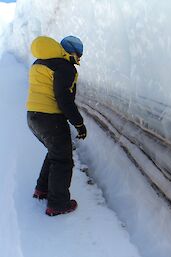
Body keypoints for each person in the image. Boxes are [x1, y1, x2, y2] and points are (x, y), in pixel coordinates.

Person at [26, 35, 87, 216]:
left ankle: (42, 190)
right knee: (63, 160)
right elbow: (64, 99)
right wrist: (79, 123)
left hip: (32, 116)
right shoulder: (65, 67)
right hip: (50, 118)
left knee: (55, 153)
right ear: (73, 52)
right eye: (79, 55)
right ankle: (58, 204)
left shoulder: (40, 62)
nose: (79, 59)